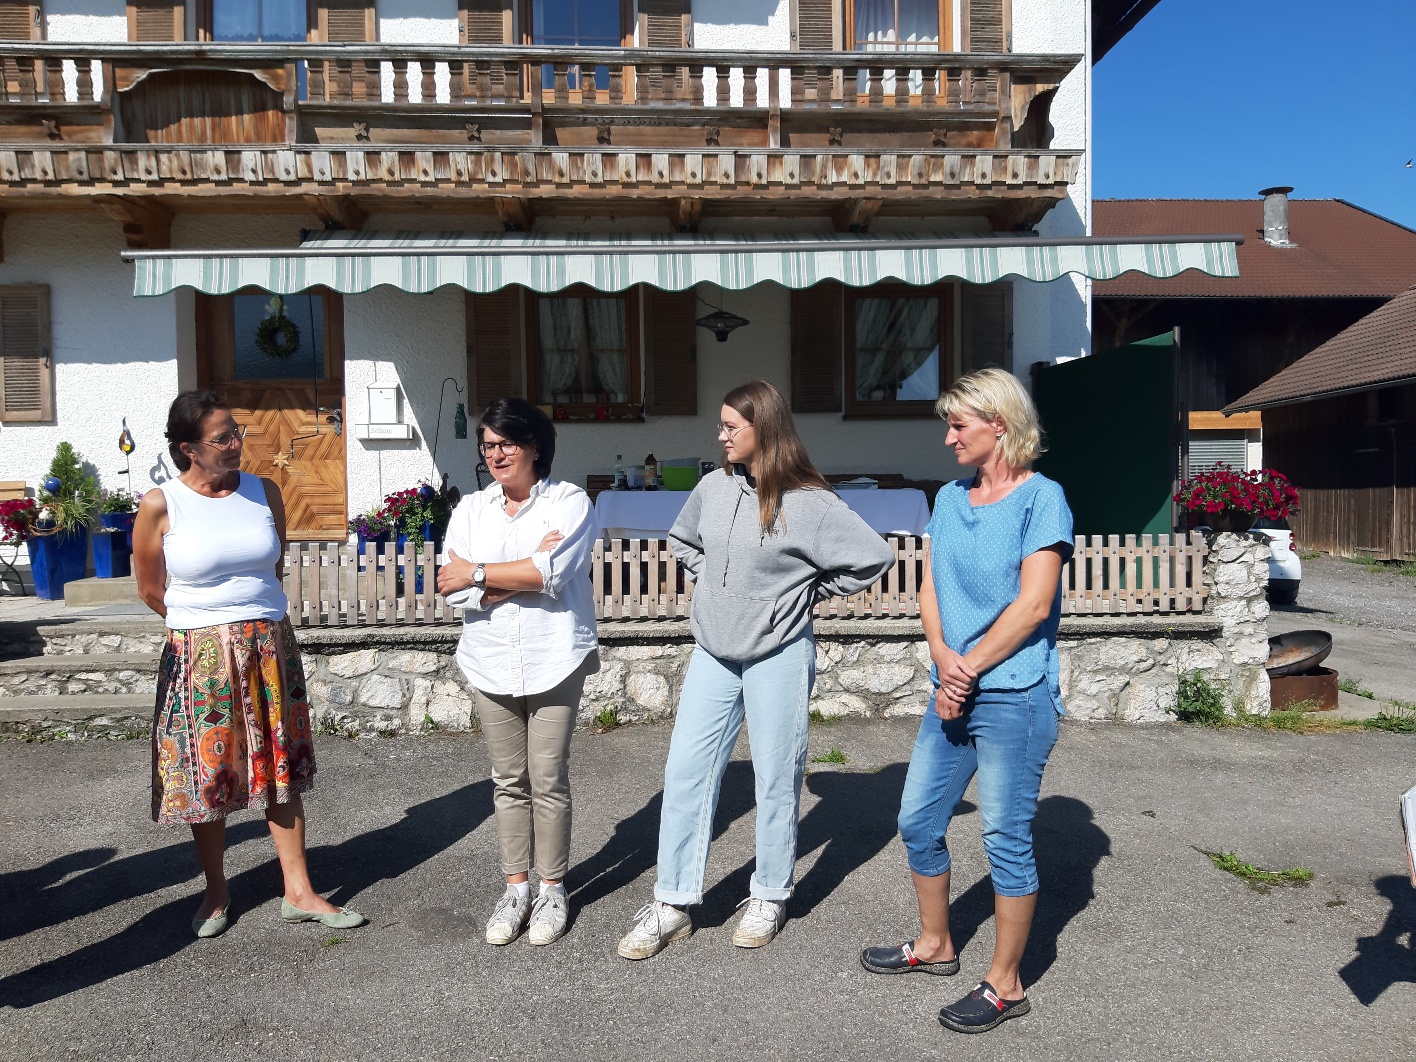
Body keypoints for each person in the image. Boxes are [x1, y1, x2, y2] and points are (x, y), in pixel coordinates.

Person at [618, 380, 895, 959]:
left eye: (730, 427)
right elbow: (683, 540)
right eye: (720, 426)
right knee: (686, 772)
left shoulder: (809, 502)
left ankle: (769, 894)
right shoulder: (713, 487)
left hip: (779, 652)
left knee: (775, 777)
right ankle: (672, 903)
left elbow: (873, 557)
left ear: (763, 429)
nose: (720, 436)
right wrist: (714, 591)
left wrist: (802, 595)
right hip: (714, 652)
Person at [859, 368, 1073, 1035]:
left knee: (1004, 838)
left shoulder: (1043, 500)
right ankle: (935, 944)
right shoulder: (950, 499)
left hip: (1015, 696)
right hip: (952, 685)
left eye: (958, 425)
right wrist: (942, 657)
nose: (948, 437)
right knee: (918, 820)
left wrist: (967, 671)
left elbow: (1034, 604)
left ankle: (1006, 983)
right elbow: (931, 586)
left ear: (999, 425)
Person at [132, 390, 365, 939]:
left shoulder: (265, 492)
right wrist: (207, 629)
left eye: (237, 433)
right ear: (189, 449)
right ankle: (216, 890)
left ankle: (299, 891)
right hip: (201, 655)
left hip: (268, 645)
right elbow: (149, 588)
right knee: (211, 772)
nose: (237, 444)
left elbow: (272, 566)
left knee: (280, 767)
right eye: (223, 439)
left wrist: (251, 624)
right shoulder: (162, 504)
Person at [437, 398, 598, 947]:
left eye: (506, 443)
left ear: (534, 445)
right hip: (489, 659)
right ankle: (516, 888)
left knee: (547, 778)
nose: (496, 454)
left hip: (554, 656)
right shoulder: (471, 510)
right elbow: (451, 588)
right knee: (508, 781)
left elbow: (554, 573)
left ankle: (552, 889)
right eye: (488, 445)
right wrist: (523, 571)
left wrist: (480, 573)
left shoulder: (568, 502)